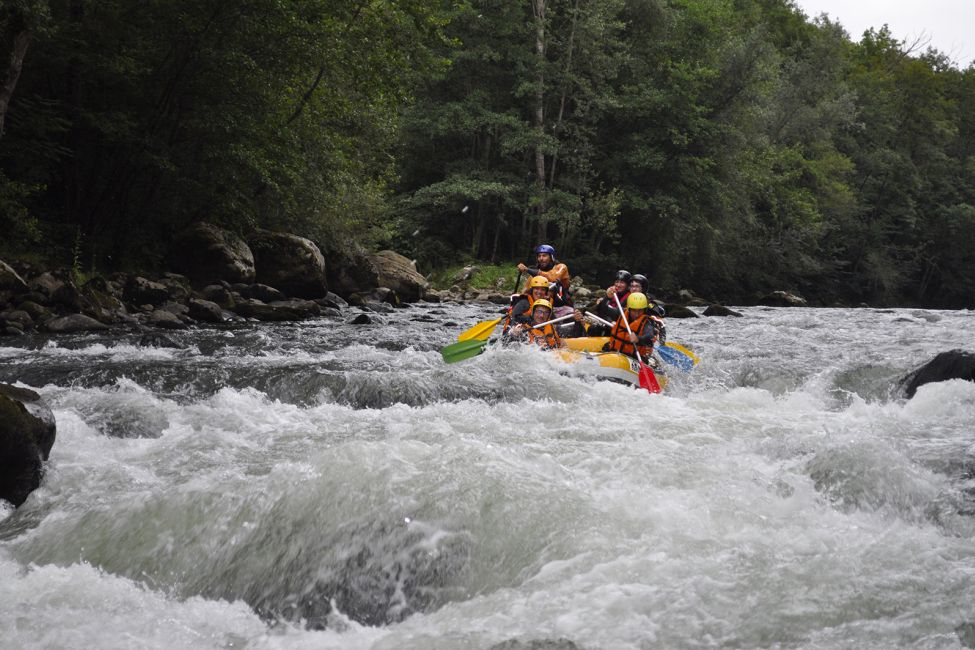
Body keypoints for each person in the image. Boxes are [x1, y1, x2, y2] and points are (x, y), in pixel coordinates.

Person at [588, 292, 659, 362]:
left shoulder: (647, 322)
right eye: (634, 310)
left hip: (633, 358)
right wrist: (607, 298)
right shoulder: (621, 313)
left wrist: (638, 339)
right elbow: (602, 311)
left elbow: (649, 336)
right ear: (629, 309)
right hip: (614, 351)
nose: (636, 314)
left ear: (644, 310)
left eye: (640, 311)